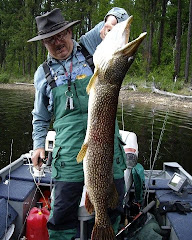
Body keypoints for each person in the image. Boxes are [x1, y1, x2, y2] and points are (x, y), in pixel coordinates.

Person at [28, 7, 129, 240]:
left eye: (61, 34)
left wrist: (112, 20)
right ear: (44, 43)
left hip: (105, 147)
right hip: (69, 151)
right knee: (62, 213)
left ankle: (106, 232)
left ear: (70, 32)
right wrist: (38, 144)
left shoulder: (90, 45)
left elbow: (120, 17)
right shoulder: (42, 74)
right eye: (49, 39)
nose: (57, 42)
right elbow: (40, 116)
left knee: (112, 204)